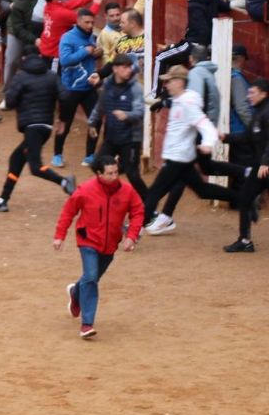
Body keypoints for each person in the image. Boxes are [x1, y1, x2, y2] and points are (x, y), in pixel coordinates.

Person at [54, 152, 144, 339]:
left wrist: (132, 236)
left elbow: (138, 211)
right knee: (92, 278)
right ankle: (87, 324)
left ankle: (75, 291)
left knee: (90, 277)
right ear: (99, 174)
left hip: (110, 244)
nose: (114, 177)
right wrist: (59, 236)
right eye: (110, 173)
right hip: (88, 240)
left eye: (116, 172)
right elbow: (68, 211)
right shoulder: (85, 190)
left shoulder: (127, 191)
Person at [141, 66, 237, 235]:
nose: (166, 85)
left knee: (154, 192)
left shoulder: (187, 103)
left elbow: (204, 124)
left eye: (169, 81)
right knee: (202, 190)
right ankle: (243, 198)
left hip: (178, 158)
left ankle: (136, 227)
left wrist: (208, 143)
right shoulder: (180, 100)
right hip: (182, 157)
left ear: (179, 82)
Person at [0, 54, 73, 212]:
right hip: (45, 127)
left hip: (31, 127)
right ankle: (3, 199)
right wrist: (62, 120)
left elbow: (10, 100)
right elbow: (65, 97)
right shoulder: (52, 76)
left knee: (35, 166)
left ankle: (64, 182)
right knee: (16, 159)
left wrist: (15, 102)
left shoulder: (21, 76)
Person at [222, 78, 269, 254]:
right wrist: (225, 138)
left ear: (263, 94)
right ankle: (245, 240)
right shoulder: (259, 113)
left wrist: (266, 162)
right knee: (244, 198)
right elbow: (247, 137)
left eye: (252, 92)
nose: (248, 96)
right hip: (262, 168)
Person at [87, 54, 150, 200]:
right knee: (97, 165)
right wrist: (92, 123)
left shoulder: (135, 88)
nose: (128, 70)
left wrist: (126, 115)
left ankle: (149, 204)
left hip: (131, 138)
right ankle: (112, 193)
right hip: (111, 136)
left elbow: (140, 112)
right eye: (124, 67)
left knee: (132, 174)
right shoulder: (107, 85)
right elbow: (100, 106)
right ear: (115, 69)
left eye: (129, 67)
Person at [52, 4, 101, 166]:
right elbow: (65, 60)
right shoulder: (67, 37)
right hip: (70, 88)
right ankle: (57, 154)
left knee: (96, 120)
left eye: (92, 22)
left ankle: (90, 155)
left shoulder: (90, 37)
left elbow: (89, 58)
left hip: (88, 87)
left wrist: (95, 55)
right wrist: (85, 52)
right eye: (87, 22)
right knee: (65, 122)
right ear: (79, 22)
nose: (90, 25)